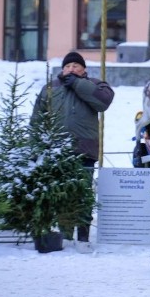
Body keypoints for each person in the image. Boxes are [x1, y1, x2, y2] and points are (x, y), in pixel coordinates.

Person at [31, 51, 115, 251]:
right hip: (56, 151)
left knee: (83, 194)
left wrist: (77, 83)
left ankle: (83, 237)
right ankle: (65, 235)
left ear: (84, 70)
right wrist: (36, 148)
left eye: (76, 66)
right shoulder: (50, 88)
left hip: (84, 150)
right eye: (68, 67)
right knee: (62, 194)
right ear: (62, 69)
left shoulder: (96, 84)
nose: (71, 69)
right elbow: (36, 120)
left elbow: (103, 102)